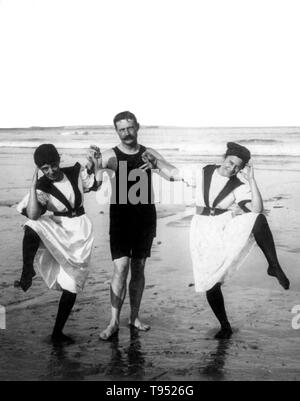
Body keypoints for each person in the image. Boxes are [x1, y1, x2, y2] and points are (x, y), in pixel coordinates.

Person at [186, 142, 290, 339]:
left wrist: (251, 180)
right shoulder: (202, 171)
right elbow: (174, 174)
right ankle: (225, 326)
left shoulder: (239, 185)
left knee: (257, 218)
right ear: (224, 158)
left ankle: (274, 266)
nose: (232, 168)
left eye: (238, 167)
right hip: (201, 231)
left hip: (223, 227)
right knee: (211, 282)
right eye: (230, 162)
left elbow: (256, 209)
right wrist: (155, 162)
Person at [89, 111, 177, 340]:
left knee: (138, 269)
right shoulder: (110, 156)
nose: (126, 133)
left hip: (145, 218)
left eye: (130, 128)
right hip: (120, 218)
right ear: (116, 131)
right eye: (121, 129)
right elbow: (94, 185)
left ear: (137, 127)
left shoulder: (148, 153)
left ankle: (134, 317)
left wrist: (156, 164)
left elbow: (173, 175)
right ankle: (113, 321)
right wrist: (95, 166)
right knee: (120, 269)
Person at [15, 144, 102, 343]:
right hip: (58, 226)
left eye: (53, 165)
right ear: (39, 169)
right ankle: (27, 270)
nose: (51, 171)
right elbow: (34, 214)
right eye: (45, 168)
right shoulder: (42, 186)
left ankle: (57, 333)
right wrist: (33, 185)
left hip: (80, 230)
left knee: (72, 285)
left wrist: (96, 163)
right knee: (31, 225)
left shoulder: (74, 172)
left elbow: (95, 185)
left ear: (59, 160)